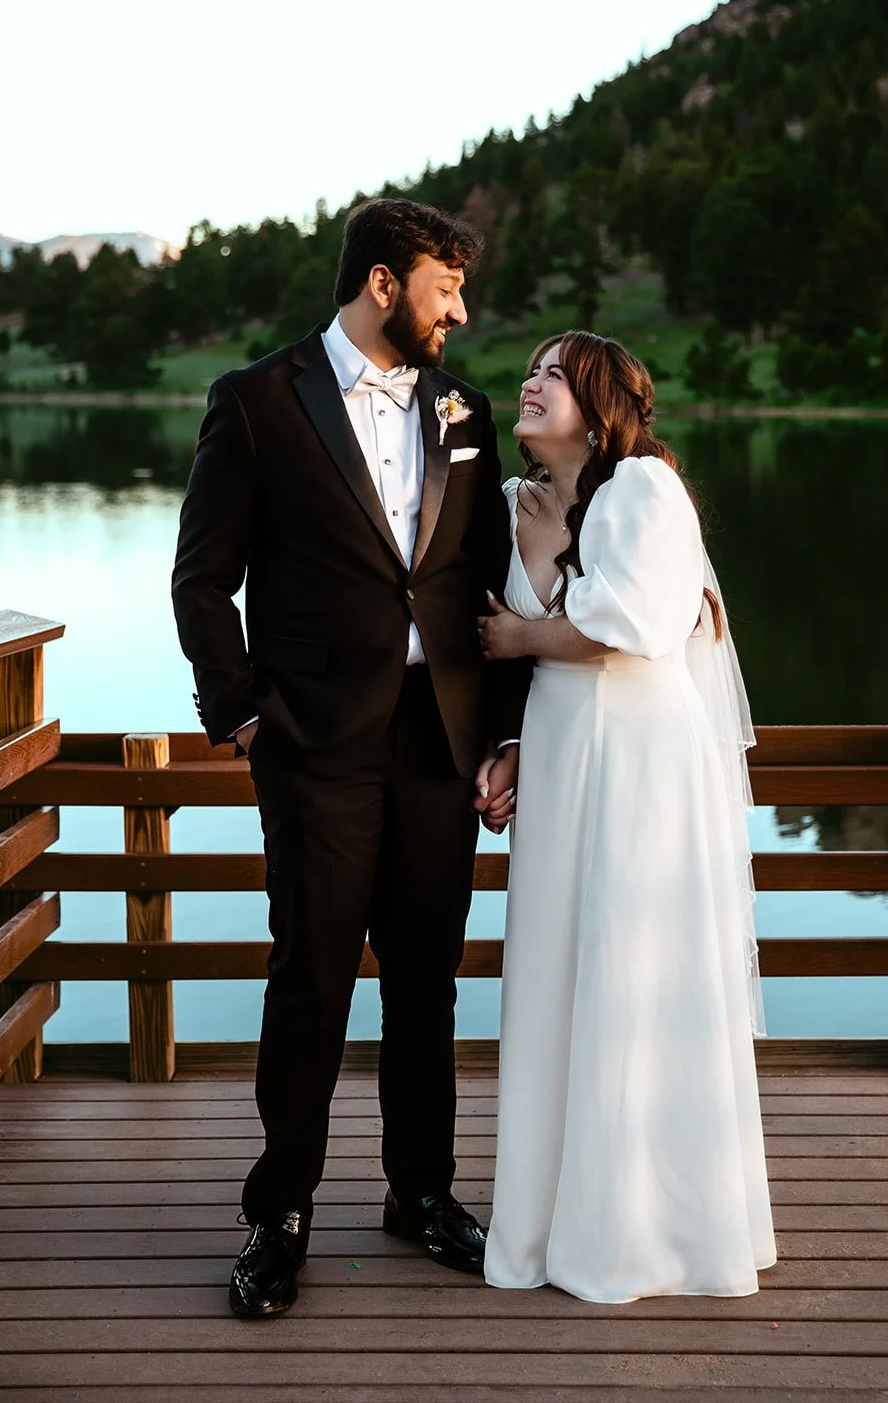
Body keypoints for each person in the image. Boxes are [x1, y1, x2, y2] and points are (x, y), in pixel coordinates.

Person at [172, 197, 528, 1318]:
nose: (458, 311)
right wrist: (238, 710)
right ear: (384, 284)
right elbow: (200, 580)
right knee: (314, 977)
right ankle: (279, 1215)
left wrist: (500, 728)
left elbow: (485, 582)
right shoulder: (257, 401)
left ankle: (419, 1193)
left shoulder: (461, 409)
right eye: (444, 289)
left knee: (425, 982)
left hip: (435, 743)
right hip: (313, 746)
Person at [479, 330, 776, 1304]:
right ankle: (551, 1222)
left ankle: (649, 1233)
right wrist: (515, 741)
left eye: (553, 373)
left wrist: (520, 629)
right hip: (564, 759)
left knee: (630, 972)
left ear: (600, 402)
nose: (529, 382)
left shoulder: (641, 490)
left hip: (642, 766)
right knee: (561, 975)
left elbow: (632, 628)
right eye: (528, 369)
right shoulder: (515, 502)